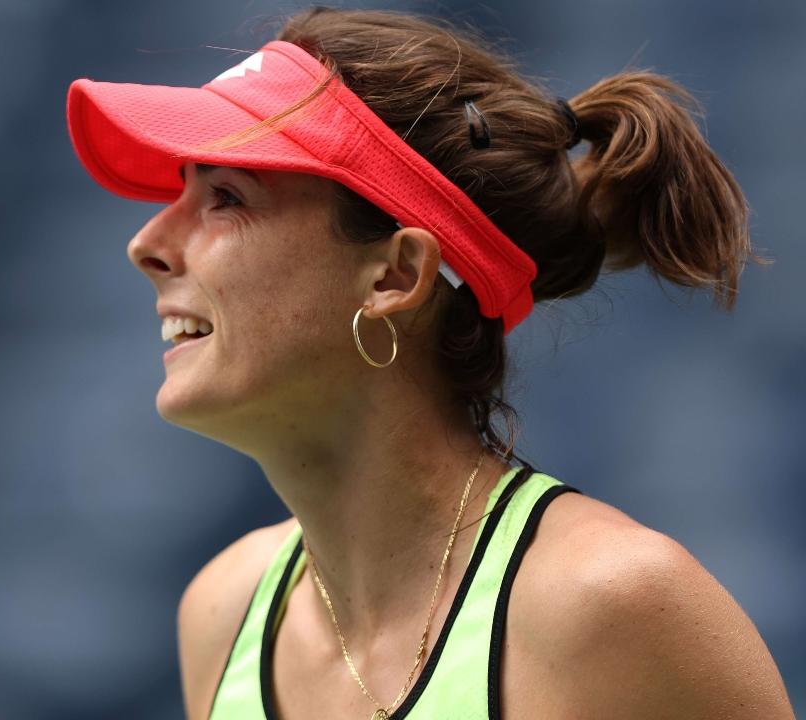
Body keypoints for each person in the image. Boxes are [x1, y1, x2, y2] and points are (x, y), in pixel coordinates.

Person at [66, 7, 793, 719]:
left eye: (226, 197)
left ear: (395, 276)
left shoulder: (612, 608)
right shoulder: (220, 613)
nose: (147, 243)